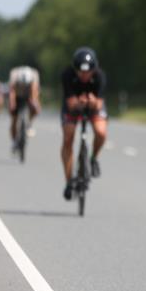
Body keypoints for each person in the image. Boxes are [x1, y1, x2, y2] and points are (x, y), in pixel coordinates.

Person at [60, 47, 107, 200]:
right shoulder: (67, 75)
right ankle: (69, 181)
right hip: (73, 107)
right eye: (81, 72)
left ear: (94, 69)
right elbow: (71, 103)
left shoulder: (99, 76)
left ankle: (93, 158)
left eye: (88, 72)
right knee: (68, 138)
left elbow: (99, 104)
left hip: (93, 107)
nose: (84, 75)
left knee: (101, 132)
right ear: (75, 70)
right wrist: (79, 104)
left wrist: (93, 103)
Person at [8, 64, 41, 149]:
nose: (23, 85)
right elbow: (12, 91)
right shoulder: (14, 75)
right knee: (14, 118)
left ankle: (29, 123)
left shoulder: (34, 75)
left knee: (36, 108)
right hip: (17, 95)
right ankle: (14, 140)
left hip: (29, 95)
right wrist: (12, 103)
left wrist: (34, 102)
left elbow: (35, 91)